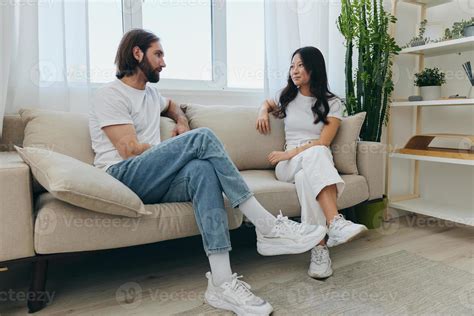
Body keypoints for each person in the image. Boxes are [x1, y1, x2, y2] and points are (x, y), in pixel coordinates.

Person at [89, 29, 327, 315]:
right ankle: (265, 225)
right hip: (123, 177)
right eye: (158, 54)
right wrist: (182, 145)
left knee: (202, 170)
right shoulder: (110, 95)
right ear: (137, 54)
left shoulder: (152, 94)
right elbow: (129, 150)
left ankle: (222, 282)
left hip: (154, 180)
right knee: (202, 139)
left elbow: (175, 108)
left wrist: (181, 123)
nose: (164, 62)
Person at [256, 46, 367, 280]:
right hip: (287, 164)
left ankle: (319, 249)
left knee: (307, 175)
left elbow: (323, 141)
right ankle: (335, 222)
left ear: (313, 68)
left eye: (300, 65)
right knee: (316, 154)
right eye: (292, 65)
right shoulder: (286, 96)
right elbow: (266, 103)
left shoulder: (332, 103)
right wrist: (262, 113)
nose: (294, 70)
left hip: (311, 159)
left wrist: (292, 152)